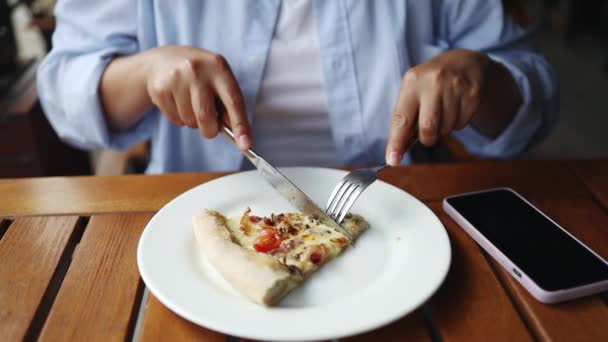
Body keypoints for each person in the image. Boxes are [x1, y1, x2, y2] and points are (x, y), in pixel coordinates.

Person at [37, 0, 558, 173]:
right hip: (196, 215)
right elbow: (64, 92)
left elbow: (532, 103)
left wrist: (482, 78)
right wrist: (145, 72)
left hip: (396, 214)